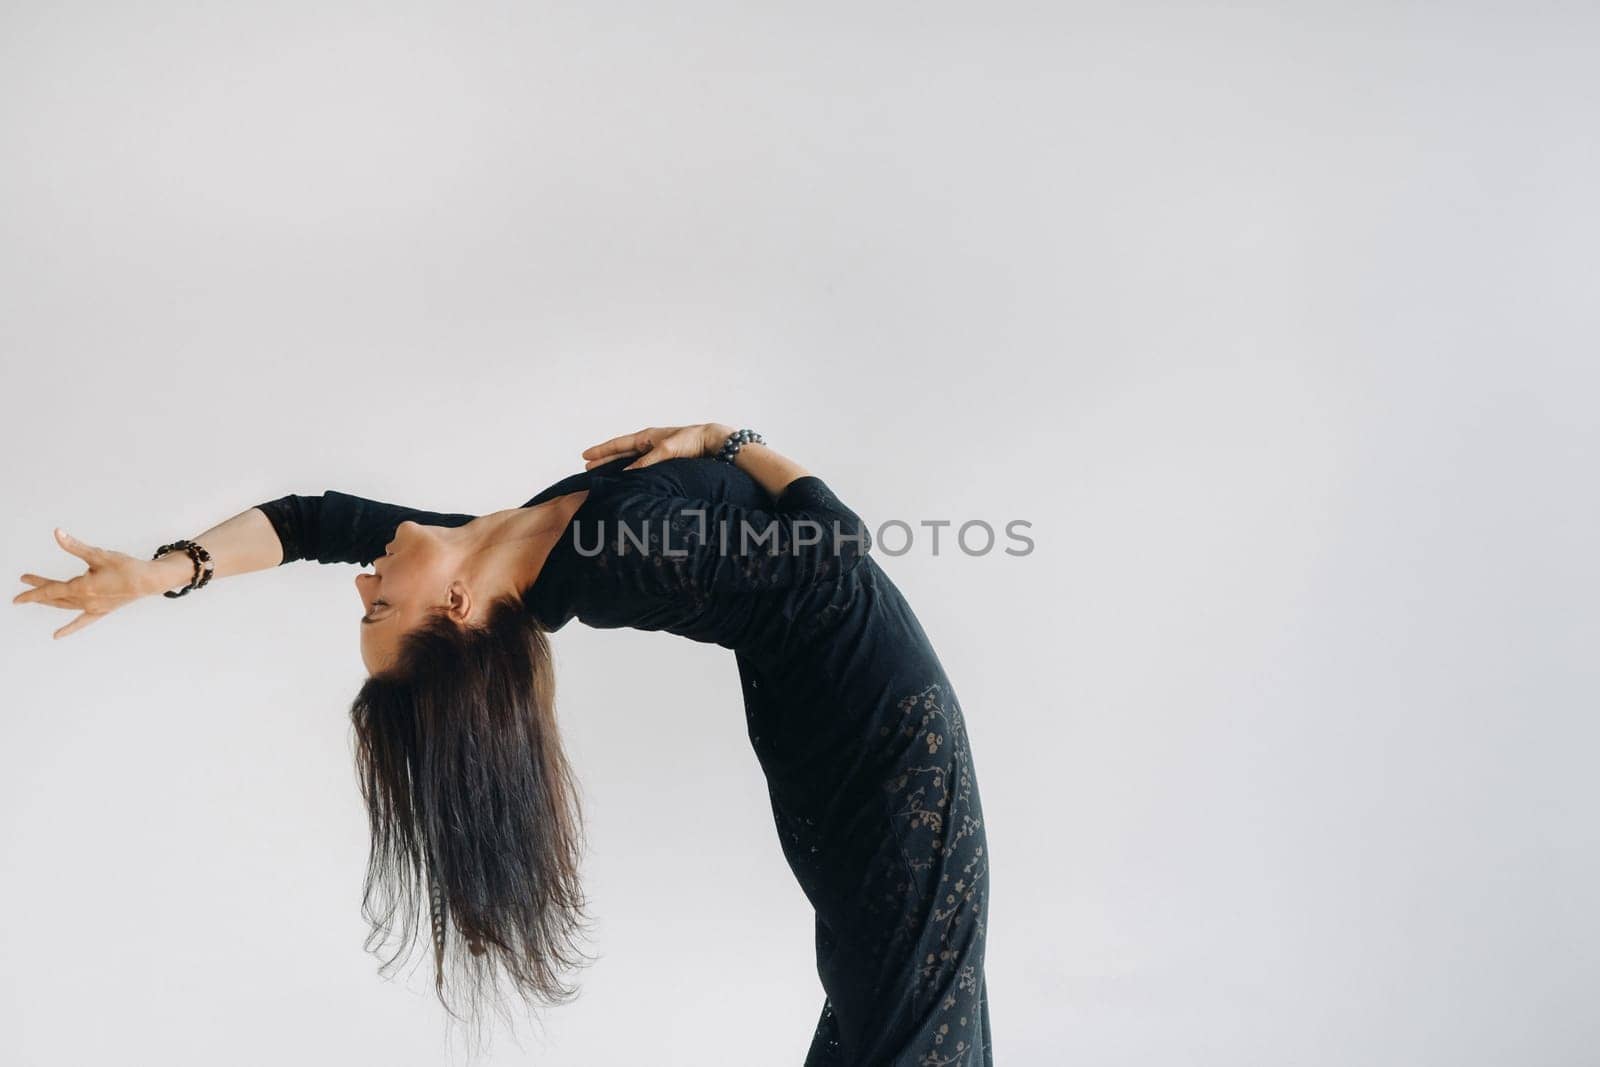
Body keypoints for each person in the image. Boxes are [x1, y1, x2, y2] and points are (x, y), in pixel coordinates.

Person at [13, 422, 993, 1066]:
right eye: (378, 605)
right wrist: (735, 437)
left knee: (887, 1021)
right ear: (454, 608)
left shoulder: (499, 543)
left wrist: (161, 573)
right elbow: (834, 542)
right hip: (886, 754)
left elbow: (311, 522)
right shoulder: (609, 565)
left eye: (369, 599)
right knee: (908, 1029)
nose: (363, 582)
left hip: (846, 744)